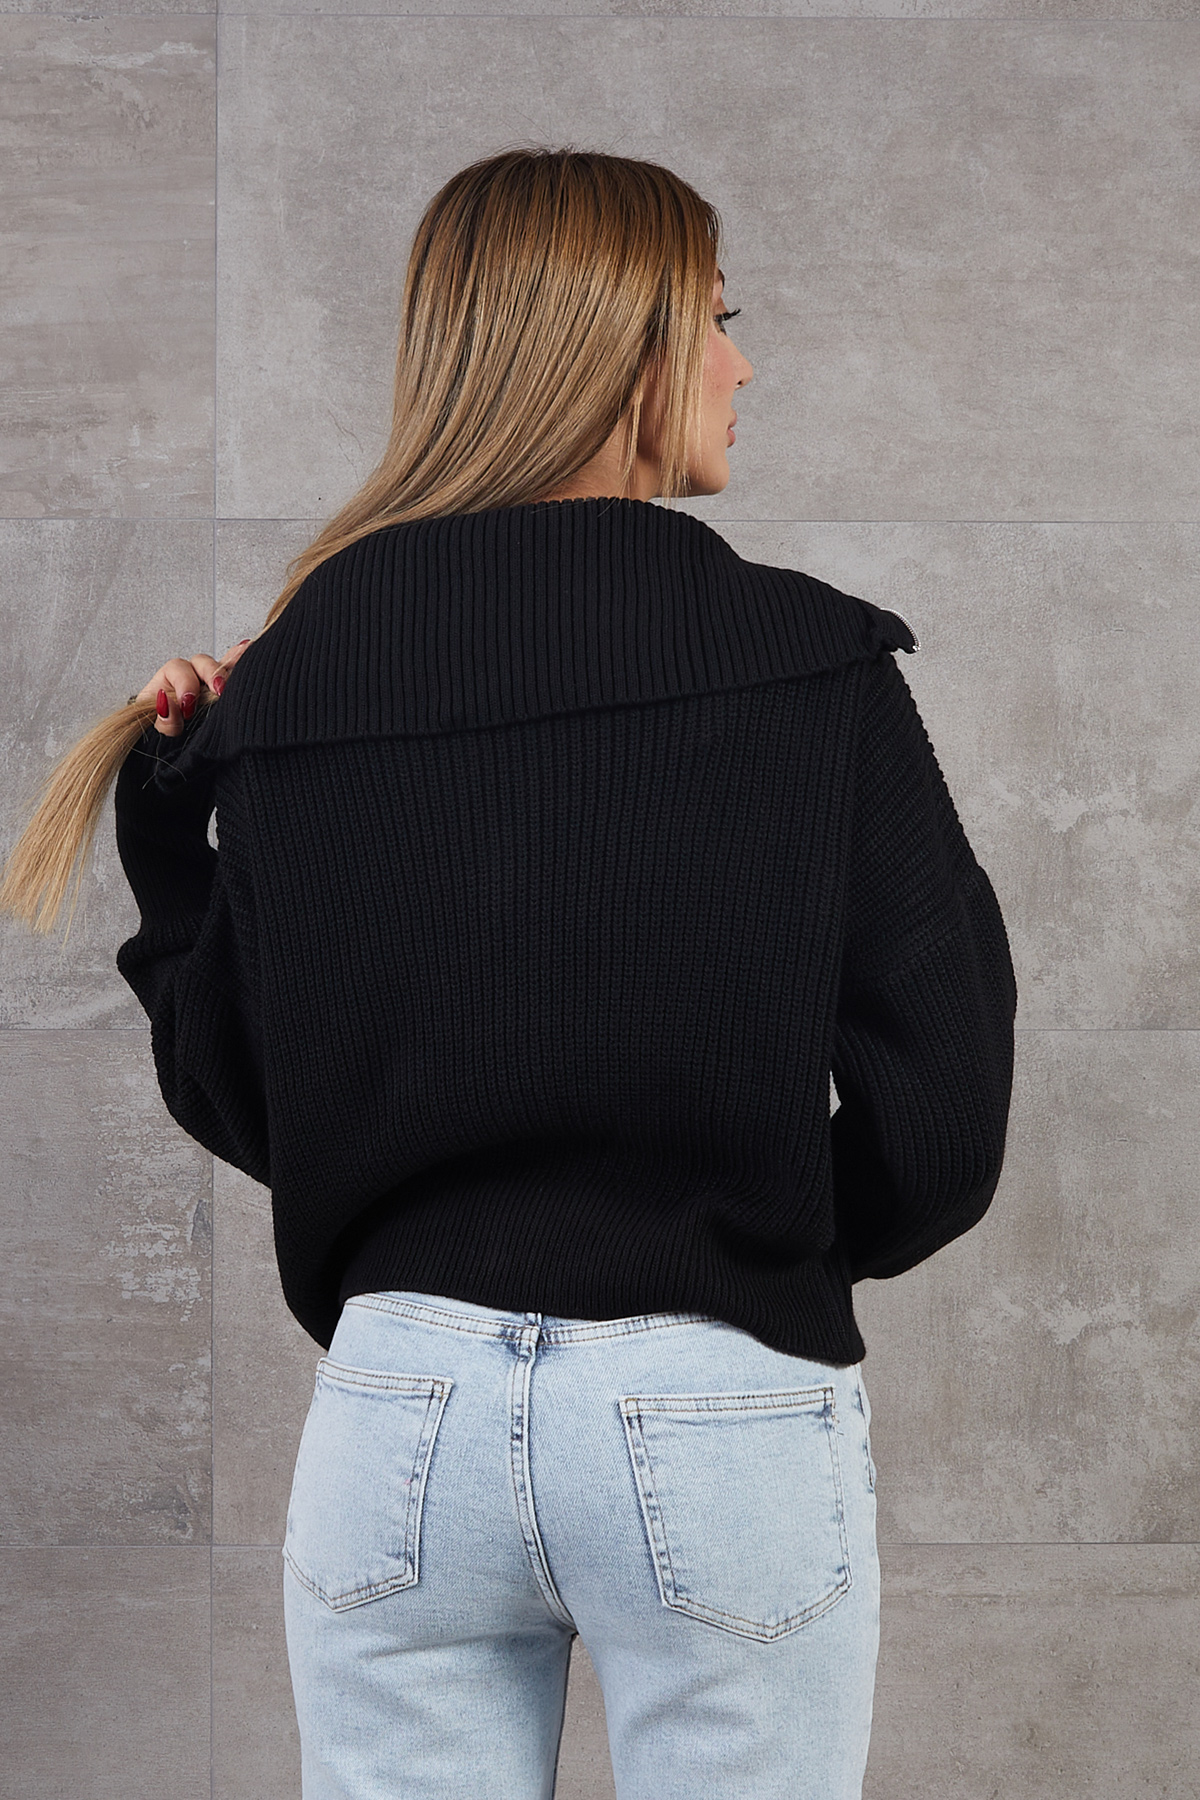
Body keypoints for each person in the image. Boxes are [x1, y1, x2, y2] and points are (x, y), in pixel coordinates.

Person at [1, 147, 1017, 1800]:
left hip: (403, 1411)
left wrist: (174, 827)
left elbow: (265, 1106)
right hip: (715, 1397)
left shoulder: (299, 676)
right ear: (622, 345)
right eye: (717, 319)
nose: (744, 364)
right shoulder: (814, 664)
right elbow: (943, 1120)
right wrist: (751, 1253)